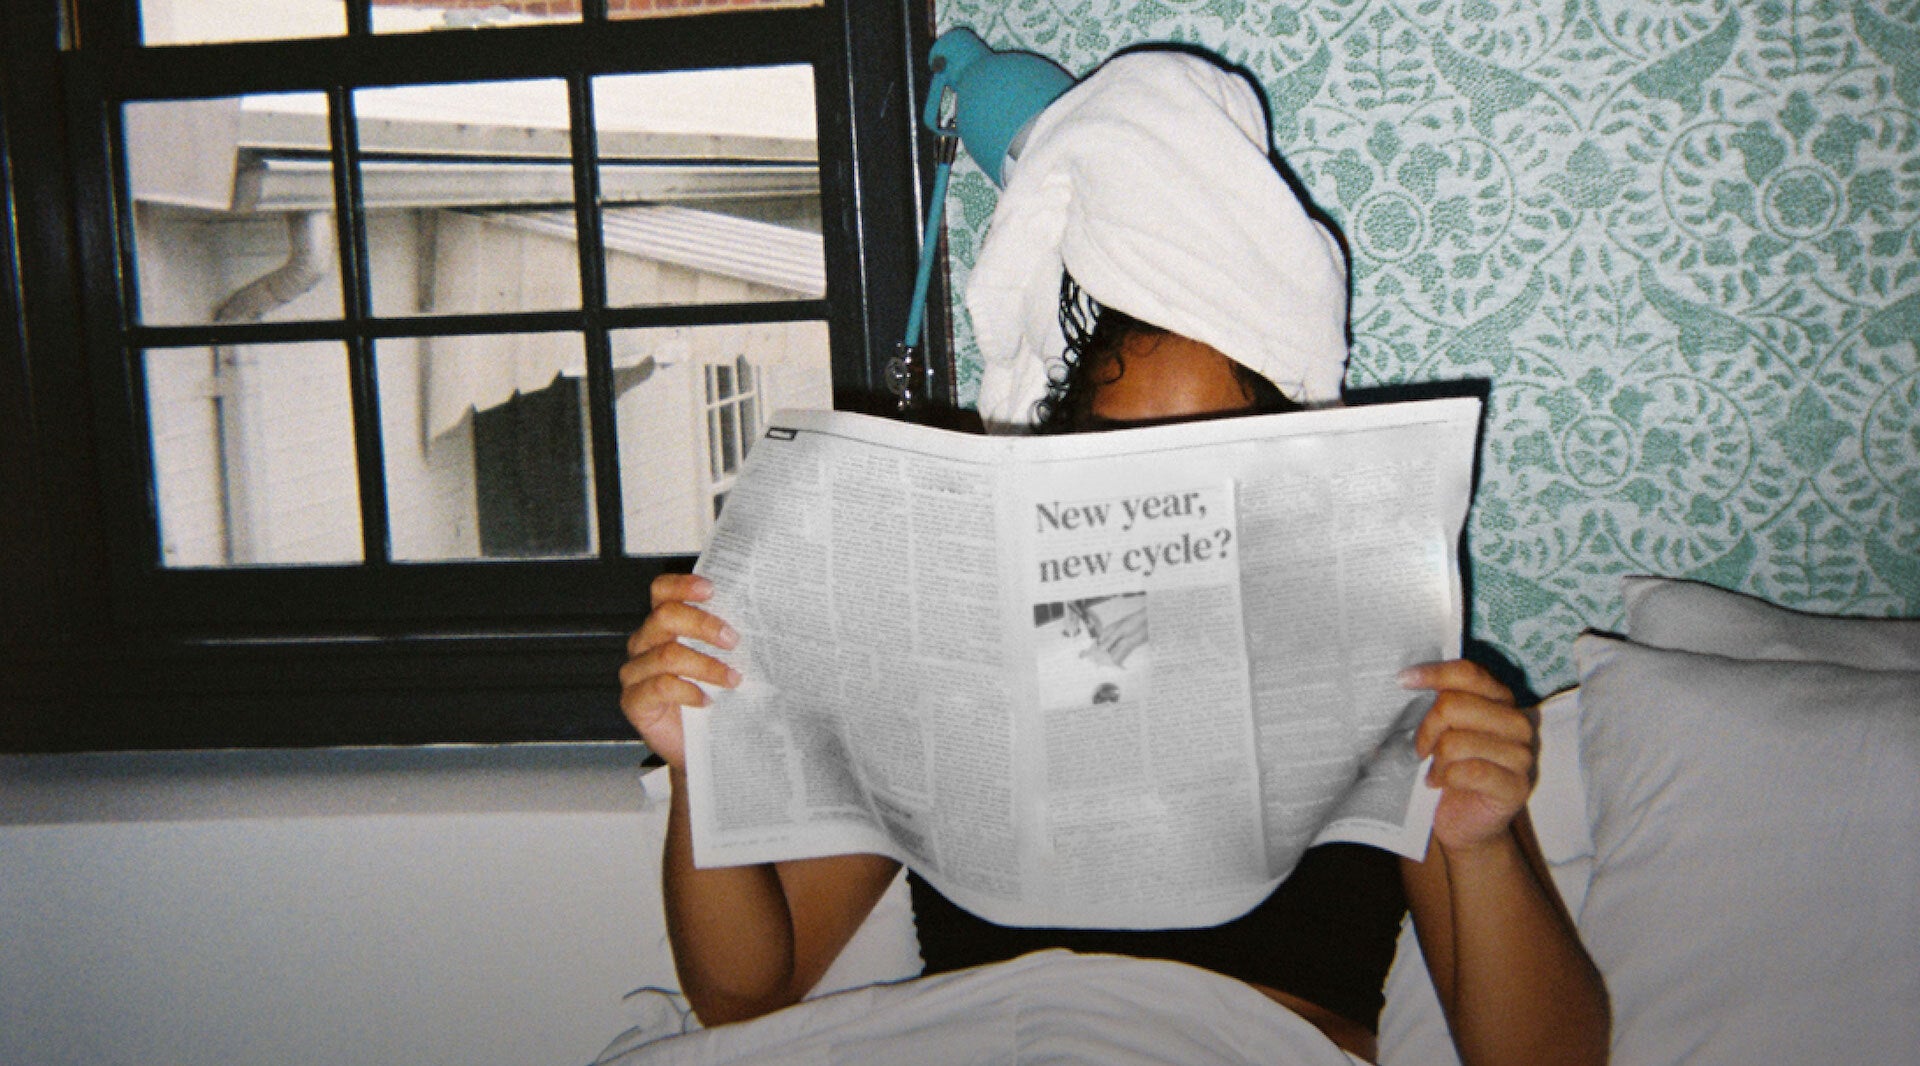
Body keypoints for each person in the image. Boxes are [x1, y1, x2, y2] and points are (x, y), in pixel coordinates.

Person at [617, 279, 1611, 1066]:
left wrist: (1482, 844)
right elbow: (748, 997)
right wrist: (706, 760)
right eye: (1121, 452)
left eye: (1206, 454)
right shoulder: (967, 673)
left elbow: (1549, 1058)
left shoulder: (1400, 679)